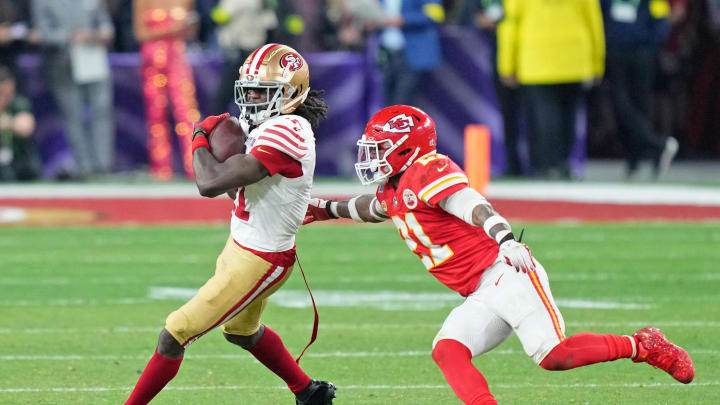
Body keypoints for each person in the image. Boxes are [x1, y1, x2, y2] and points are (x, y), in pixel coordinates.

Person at [303, 105, 695, 405]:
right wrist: (322, 209)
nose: (372, 155)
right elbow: (373, 209)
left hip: (505, 270)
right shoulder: (395, 186)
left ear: (408, 146)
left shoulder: (427, 170)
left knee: (554, 356)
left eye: (381, 147)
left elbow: (473, 204)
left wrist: (505, 239)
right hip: (480, 290)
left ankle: (643, 344)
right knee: (448, 350)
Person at [124, 43, 336, 405]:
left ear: (291, 93)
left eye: (263, 90)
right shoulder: (267, 125)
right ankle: (309, 392)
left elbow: (209, 184)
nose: (252, 97)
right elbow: (235, 188)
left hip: (261, 259)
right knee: (240, 330)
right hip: (242, 245)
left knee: (173, 333)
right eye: (249, 89)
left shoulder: (289, 130)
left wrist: (198, 140)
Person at [497, 0, 605, 179]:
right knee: (568, 115)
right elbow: (594, 21)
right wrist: (596, 62)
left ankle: (546, 166)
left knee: (543, 117)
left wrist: (507, 64)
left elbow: (510, 24)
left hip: (536, 57)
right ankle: (563, 164)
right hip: (575, 56)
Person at [32, 0, 116, 179]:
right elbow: (42, 31)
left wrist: (103, 32)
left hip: (93, 57)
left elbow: (104, 22)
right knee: (73, 115)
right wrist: (70, 36)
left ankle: (103, 165)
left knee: (102, 110)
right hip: (63, 62)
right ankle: (84, 167)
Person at [601, 0, 679, 179]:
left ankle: (637, 159)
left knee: (641, 105)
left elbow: (661, 19)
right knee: (620, 106)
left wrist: (649, 44)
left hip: (641, 54)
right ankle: (656, 146)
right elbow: (601, 13)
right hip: (616, 52)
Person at [133, 0, 201, 180]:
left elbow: (191, 29)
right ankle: (161, 169)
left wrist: (188, 28)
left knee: (187, 112)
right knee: (156, 115)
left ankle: (194, 166)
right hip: (152, 59)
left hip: (176, 56)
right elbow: (140, 33)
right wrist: (172, 30)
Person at [378, 0, 445, 106]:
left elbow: (436, 14)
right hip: (384, 52)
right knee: (383, 100)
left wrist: (404, 19)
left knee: (402, 103)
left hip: (412, 53)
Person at [0, 65, 40, 181]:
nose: (4, 97)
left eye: (7, 93)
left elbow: (25, 127)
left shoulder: (18, 103)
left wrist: (7, 123)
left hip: (18, 160)